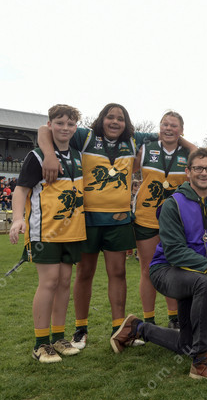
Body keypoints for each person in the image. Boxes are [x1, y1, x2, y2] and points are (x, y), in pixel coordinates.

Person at [37, 103, 162, 349]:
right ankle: (80, 330)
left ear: (126, 123)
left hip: (119, 220)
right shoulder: (85, 136)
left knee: (118, 273)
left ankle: (119, 330)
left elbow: (170, 133)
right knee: (85, 273)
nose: (115, 122)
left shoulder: (134, 140)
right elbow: (43, 129)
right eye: (110, 117)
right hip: (87, 219)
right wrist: (49, 155)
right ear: (101, 119)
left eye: (120, 118)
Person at [110, 148, 207, 382]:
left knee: (186, 344)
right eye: (198, 168)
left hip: (195, 273)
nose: (203, 173)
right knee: (206, 282)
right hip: (166, 270)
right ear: (187, 172)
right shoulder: (172, 204)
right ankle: (202, 362)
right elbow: (174, 252)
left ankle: (137, 328)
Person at [10, 104, 85, 363]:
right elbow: (21, 190)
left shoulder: (78, 155)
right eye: (60, 123)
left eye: (70, 124)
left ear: (75, 127)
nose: (65, 128)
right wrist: (17, 219)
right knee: (49, 282)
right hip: (44, 232)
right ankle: (40, 344)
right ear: (50, 124)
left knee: (64, 283)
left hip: (73, 231)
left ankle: (59, 338)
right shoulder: (37, 156)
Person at [133, 111, 194, 329]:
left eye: (174, 126)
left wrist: (183, 141)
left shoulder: (188, 153)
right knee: (147, 269)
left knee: (174, 268)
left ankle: (174, 318)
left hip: (176, 221)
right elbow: (127, 170)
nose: (168, 129)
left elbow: (203, 154)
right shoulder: (145, 149)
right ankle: (148, 320)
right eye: (165, 125)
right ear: (159, 127)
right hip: (146, 217)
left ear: (182, 130)